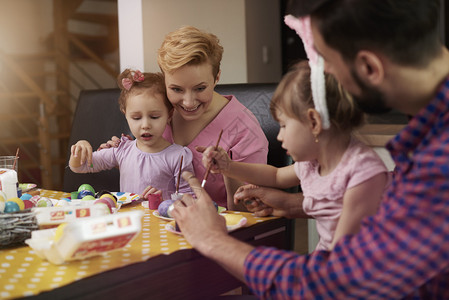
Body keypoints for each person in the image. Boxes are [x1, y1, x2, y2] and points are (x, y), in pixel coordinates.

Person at [170, 0, 449, 298]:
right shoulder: (428, 139)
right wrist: (294, 205)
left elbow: (336, 286)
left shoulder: (438, 163)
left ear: (369, 67)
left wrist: (212, 239)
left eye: (324, 61)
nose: (322, 76)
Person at [202, 60, 388, 251]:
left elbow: (343, 257)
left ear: (314, 122)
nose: (279, 135)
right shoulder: (314, 162)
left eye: (283, 125)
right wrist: (229, 167)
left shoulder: (363, 173)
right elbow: (275, 176)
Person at [98, 25, 268, 210]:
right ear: (164, 80)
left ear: (216, 77)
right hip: (159, 227)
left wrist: (229, 170)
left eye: (200, 88)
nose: (188, 102)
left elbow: (250, 211)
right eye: (176, 89)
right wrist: (131, 156)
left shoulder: (244, 130)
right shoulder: (158, 112)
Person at [69, 69, 194, 200]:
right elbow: (80, 166)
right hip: (127, 220)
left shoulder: (179, 156)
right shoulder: (122, 150)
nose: (145, 125)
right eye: (136, 118)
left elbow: (191, 199)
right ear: (126, 115)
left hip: (161, 220)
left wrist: (163, 201)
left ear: (169, 115)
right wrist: (80, 148)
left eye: (154, 116)